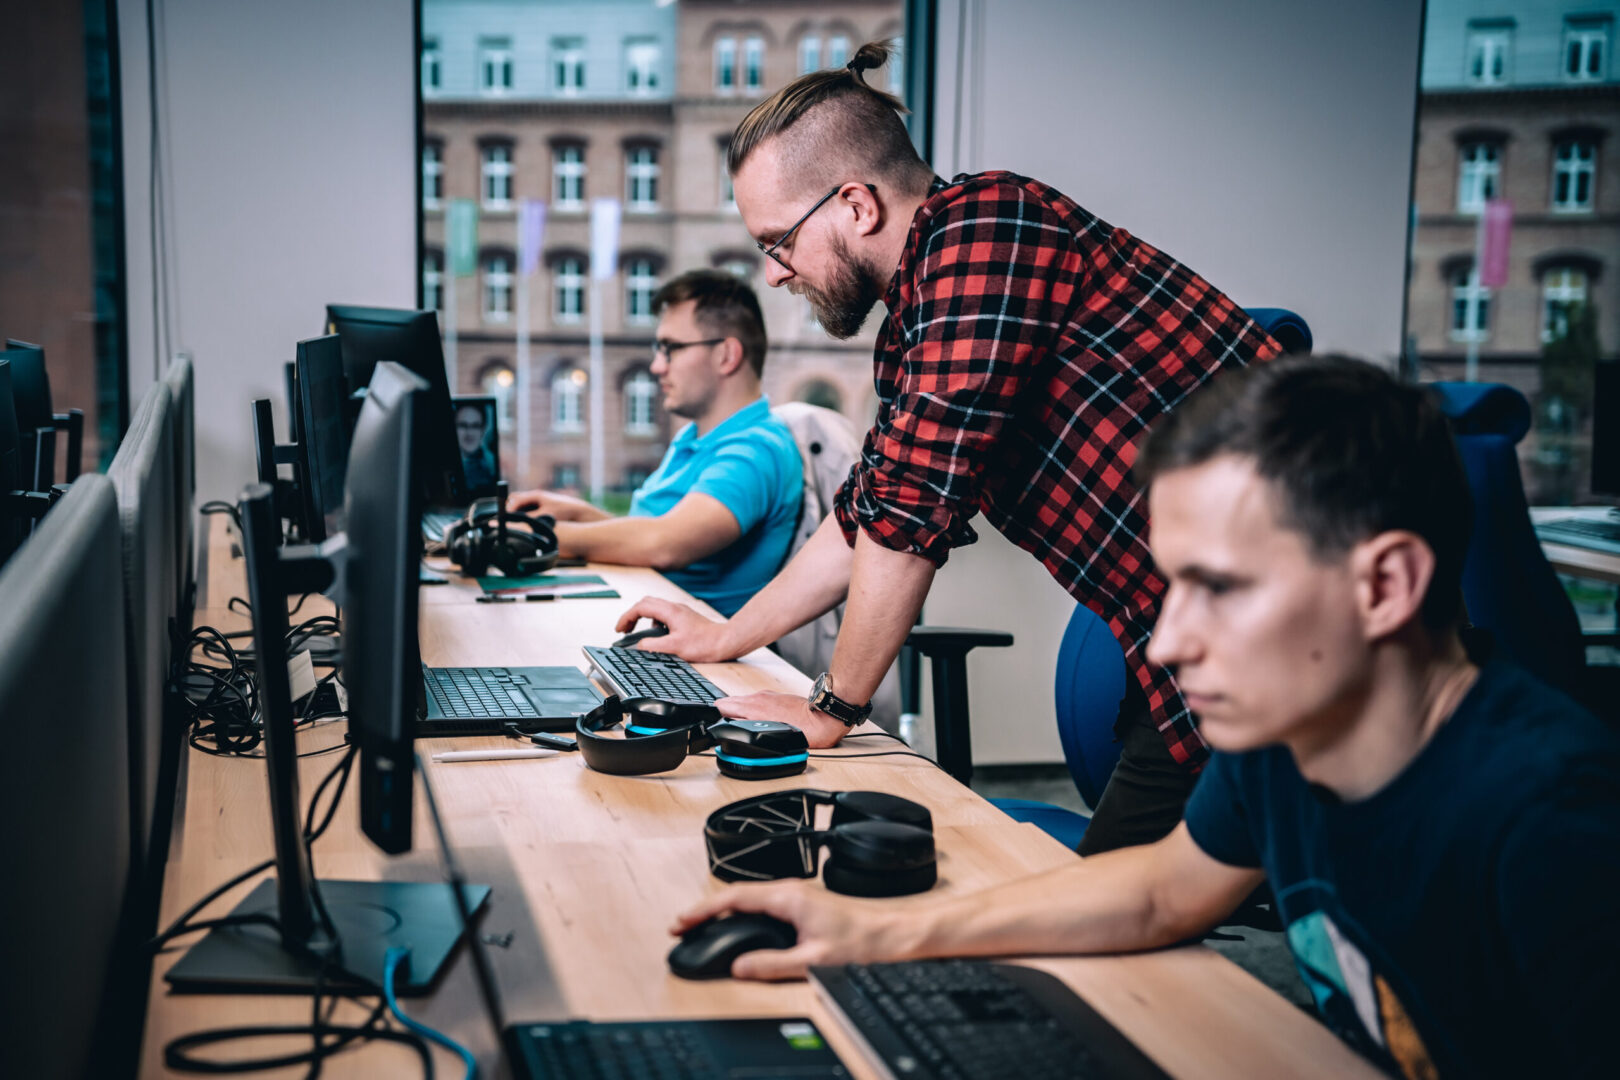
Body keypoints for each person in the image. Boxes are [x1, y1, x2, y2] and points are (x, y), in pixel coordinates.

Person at [672, 356, 1620, 1080]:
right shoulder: (1291, 741)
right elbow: (1164, 891)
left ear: (1386, 585)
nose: (1164, 647)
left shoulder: (1556, 826)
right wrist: (868, 935)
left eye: (1219, 589)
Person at [616, 40, 1278, 854]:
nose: (778, 274)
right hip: (1189, 655)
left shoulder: (988, 232)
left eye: (777, 242)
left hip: (1280, 649)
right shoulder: (926, 305)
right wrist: (726, 636)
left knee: (1109, 932)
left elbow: (908, 508)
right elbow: (869, 506)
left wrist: (830, 713)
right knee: (1102, 912)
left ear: (856, 206)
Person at [507, 269, 801, 618]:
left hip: (688, 661)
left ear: (727, 355)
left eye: (670, 349)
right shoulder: (698, 437)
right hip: (645, 625)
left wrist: (535, 534)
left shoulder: (754, 450)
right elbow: (653, 532)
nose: (656, 366)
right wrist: (580, 515)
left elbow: (664, 544)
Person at [454, 401, 498, 492]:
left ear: (483, 429)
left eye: (475, 426)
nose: (469, 432)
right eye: (463, 425)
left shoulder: (490, 465)